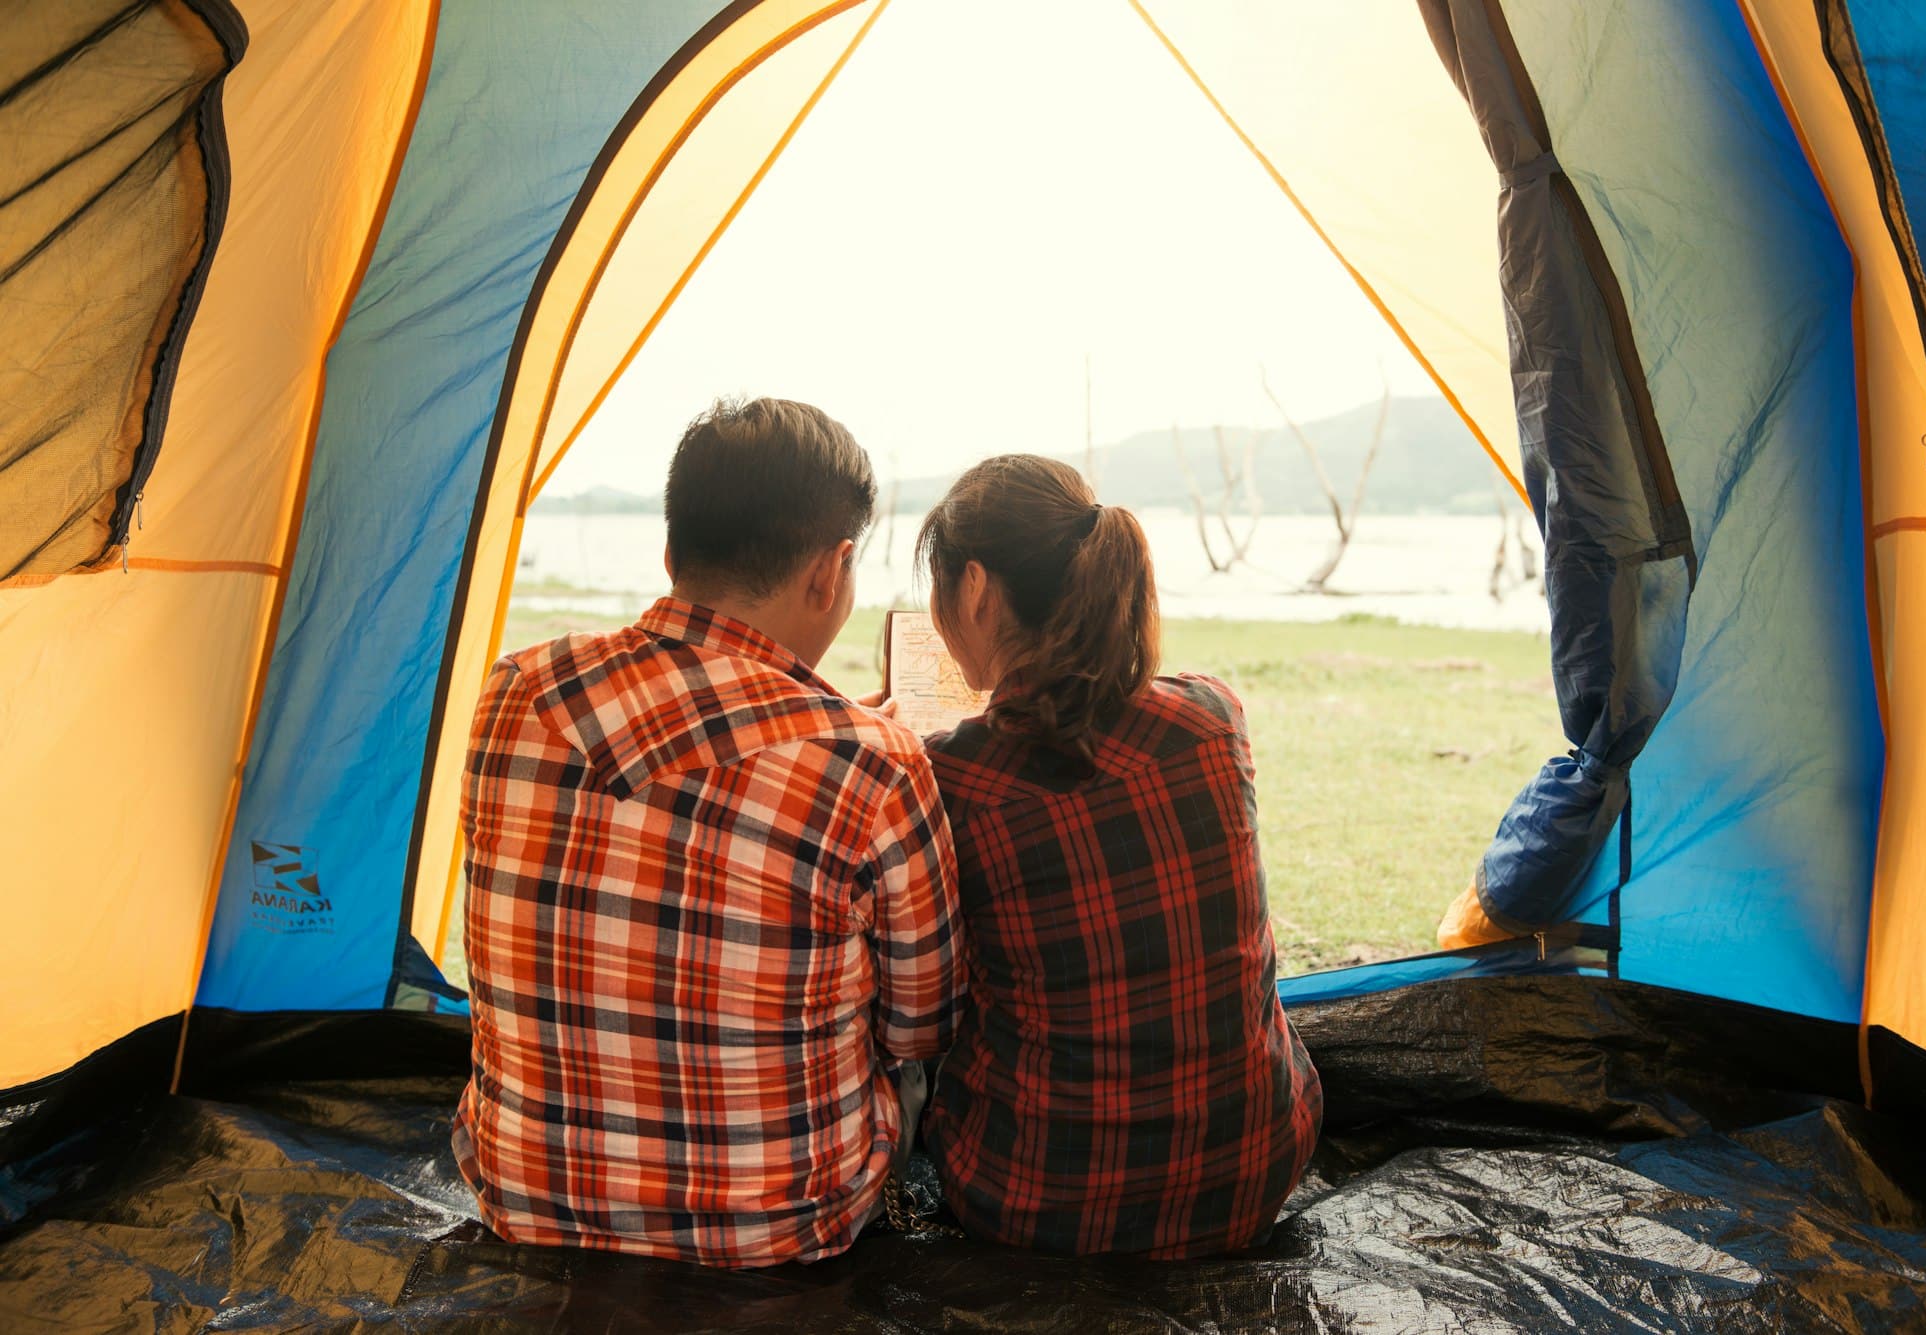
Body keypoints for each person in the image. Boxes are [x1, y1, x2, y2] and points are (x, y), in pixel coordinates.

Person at [451, 398, 963, 1268]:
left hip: (523, 1195)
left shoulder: (514, 693)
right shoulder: (872, 762)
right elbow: (922, 1025)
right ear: (832, 569)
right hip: (780, 1227)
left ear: (671, 551)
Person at [914, 455, 1323, 1258]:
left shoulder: (953, 779)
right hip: (1255, 1170)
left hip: (1042, 1201)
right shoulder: (1213, 718)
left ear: (972, 588)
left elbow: (919, 1009)